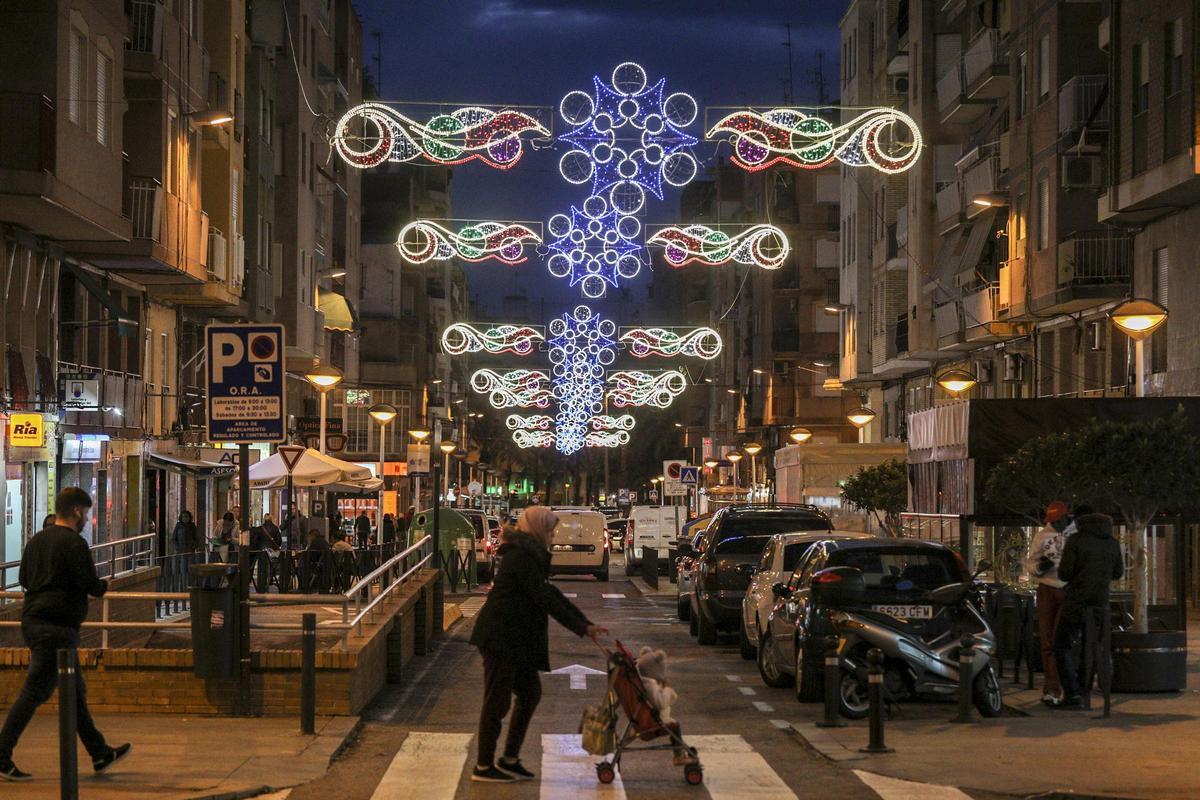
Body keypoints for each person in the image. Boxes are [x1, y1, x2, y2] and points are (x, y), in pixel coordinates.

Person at [0, 488, 131, 781]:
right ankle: (1, 753)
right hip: (56, 627)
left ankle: (99, 752)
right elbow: (90, 584)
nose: (86, 519)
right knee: (35, 691)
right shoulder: (74, 543)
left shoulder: (36, 541)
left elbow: (23, 578)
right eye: (86, 513)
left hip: (34, 620)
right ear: (76, 511)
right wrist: (103, 586)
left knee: (74, 693)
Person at [469, 506, 607, 783]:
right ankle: (483, 766)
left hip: (515, 639)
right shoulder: (522, 556)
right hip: (500, 637)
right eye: (550, 530)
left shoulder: (528, 553)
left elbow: (549, 593)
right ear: (537, 529)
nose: (553, 536)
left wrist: (584, 623)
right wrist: (582, 626)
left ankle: (509, 758)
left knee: (530, 692)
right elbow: (544, 596)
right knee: (496, 702)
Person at [1052, 508, 1123, 709]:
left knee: (1061, 645)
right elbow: (1118, 573)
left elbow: (1065, 573)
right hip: (1100, 602)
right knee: (1091, 647)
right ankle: (1084, 691)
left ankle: (1072, 692)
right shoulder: (1112, 543)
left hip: (1076, 601)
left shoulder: (1076, 541)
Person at [1025, 500, 1072, 704]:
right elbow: (1031, 564)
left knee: (1056, 641)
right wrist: (1039, 568)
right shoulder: (1042, 536)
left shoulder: (1073, 534)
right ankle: (1054, 688)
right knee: (1049, 642)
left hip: (1063, 588)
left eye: (1056, 520)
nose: (1054, 524)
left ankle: (1059, 688)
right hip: (1051, 588)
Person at [636, 647, 695, 766]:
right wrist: (668, 689)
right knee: (675, 726)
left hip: (650, 718)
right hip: (655, 722)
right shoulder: (650, 685)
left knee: (674, 727)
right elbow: (660, 703)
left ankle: (679, 750)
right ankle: (678, 756)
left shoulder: (644, 682)